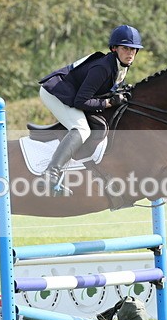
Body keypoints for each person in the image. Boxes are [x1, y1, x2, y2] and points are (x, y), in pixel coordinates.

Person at [37, 24, 143, 195]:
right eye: (126, 48)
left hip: (71, 93)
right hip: (55, 92)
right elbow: (81, 101)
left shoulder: (119, 66)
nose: (130, 53)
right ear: (114, 48)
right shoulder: (103, 67)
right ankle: (50, 174)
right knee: (81, 129)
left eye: (134, 49)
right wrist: (109, 103)